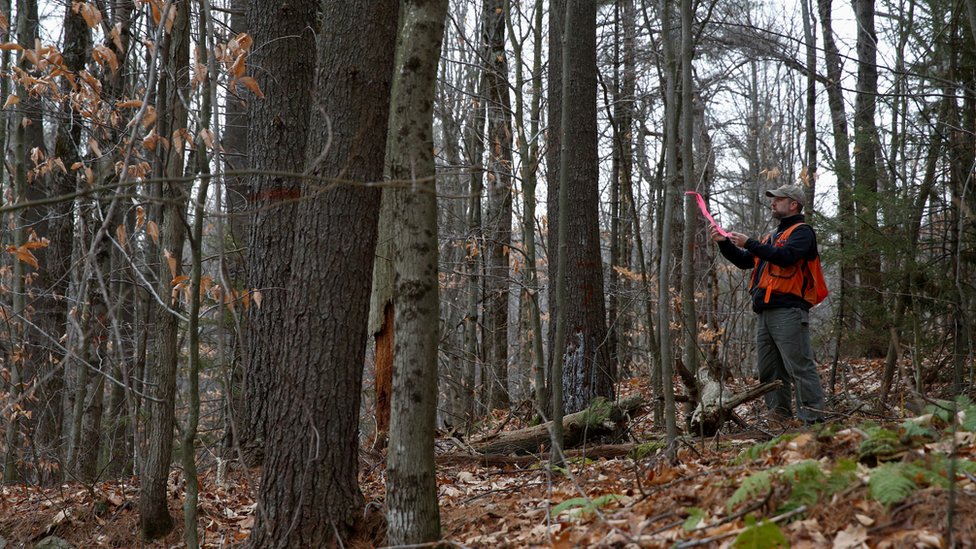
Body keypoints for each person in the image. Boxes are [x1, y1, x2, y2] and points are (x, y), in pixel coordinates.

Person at [708, 184, 827, 425]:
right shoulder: (771, 237)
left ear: (793, 204)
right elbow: (745, 262)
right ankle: (779, 418)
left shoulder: (803, 232)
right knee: (769, 371)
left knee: (800, 367)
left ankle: (813, 421)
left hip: (789, 311)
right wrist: (724, 243)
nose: (772, 203)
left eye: (778, 199)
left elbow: (787, 257)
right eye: (772, 199)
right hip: (764, 312)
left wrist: (750, 242)